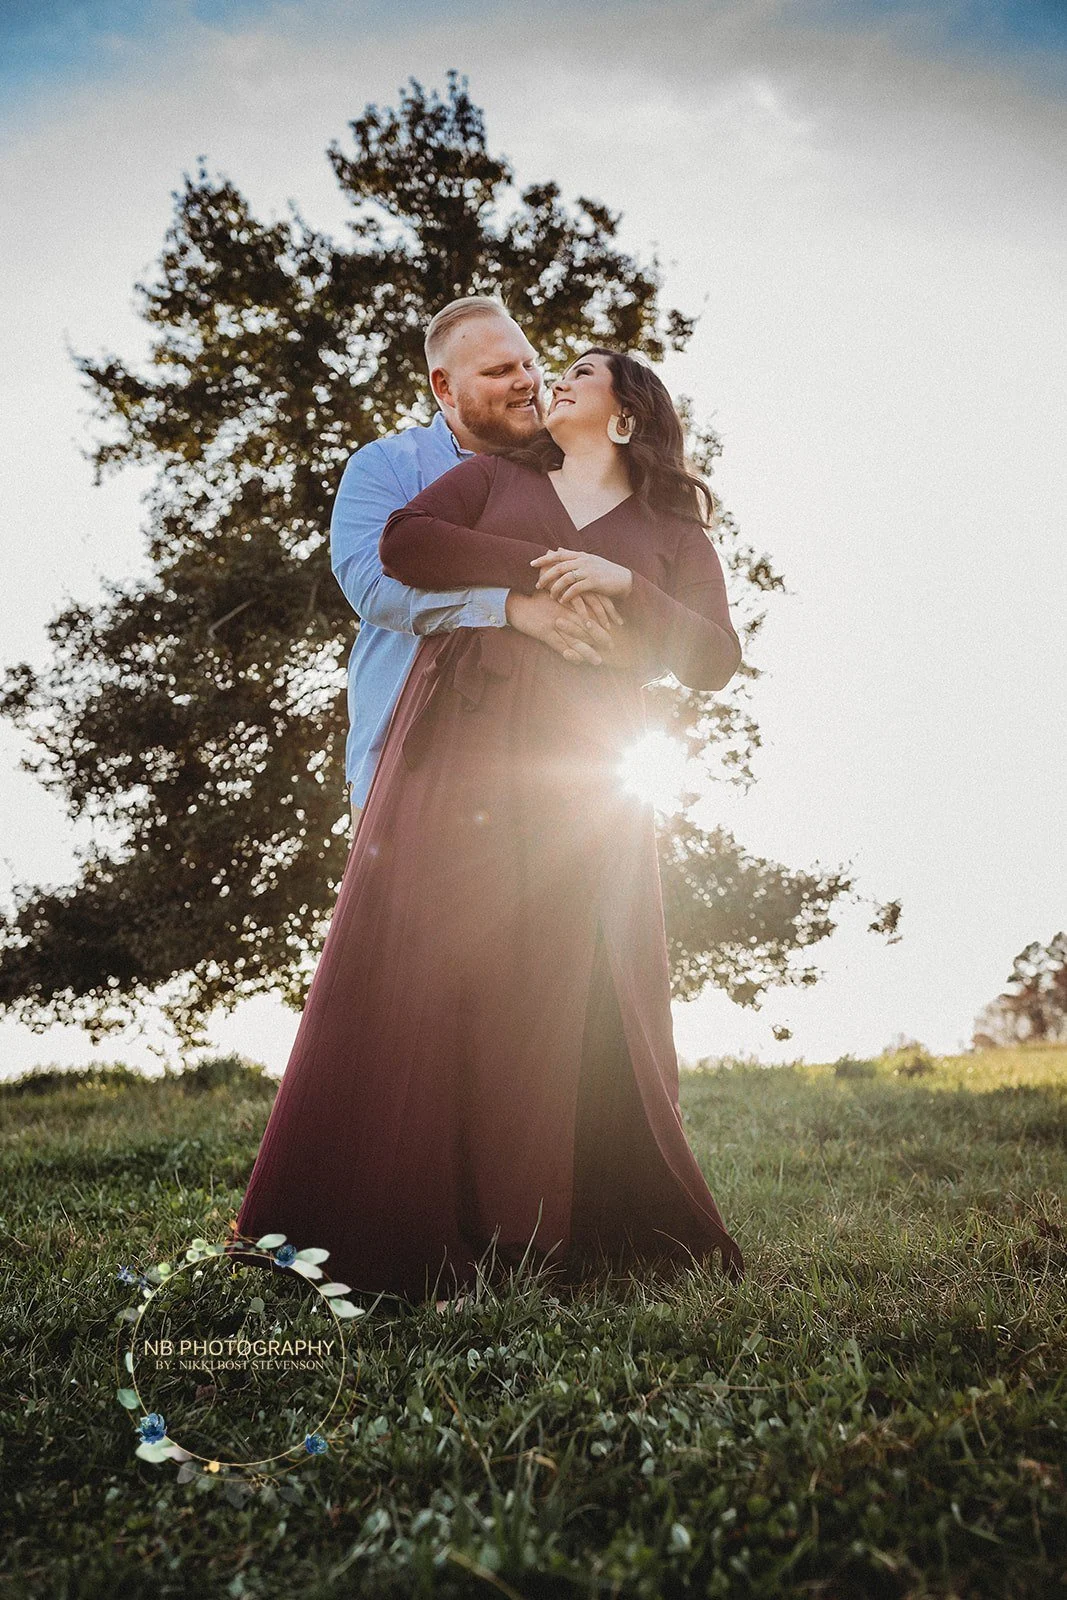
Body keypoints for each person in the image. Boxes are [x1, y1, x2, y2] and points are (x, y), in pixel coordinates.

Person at [234, 347, 745, 1303]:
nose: (555, 382)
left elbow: (714, 657)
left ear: (626, 416)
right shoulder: (500, 476)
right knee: (445, 959)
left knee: (569, 977)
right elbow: (406, 544)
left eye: (580, 374)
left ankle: (546, 1223)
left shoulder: (673, 532)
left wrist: (624, 586)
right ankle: (385, 1213)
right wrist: (544, 580)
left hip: (589, 766)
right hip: (461, 742)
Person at [330, 295, 625, 838]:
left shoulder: (577, 465)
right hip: (406, 749)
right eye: (498, 371)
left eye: (529, 363)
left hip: (559, 771)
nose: (527, 382)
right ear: (444, 388)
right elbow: (374, 588)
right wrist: (509, 607)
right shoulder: (386, 466)